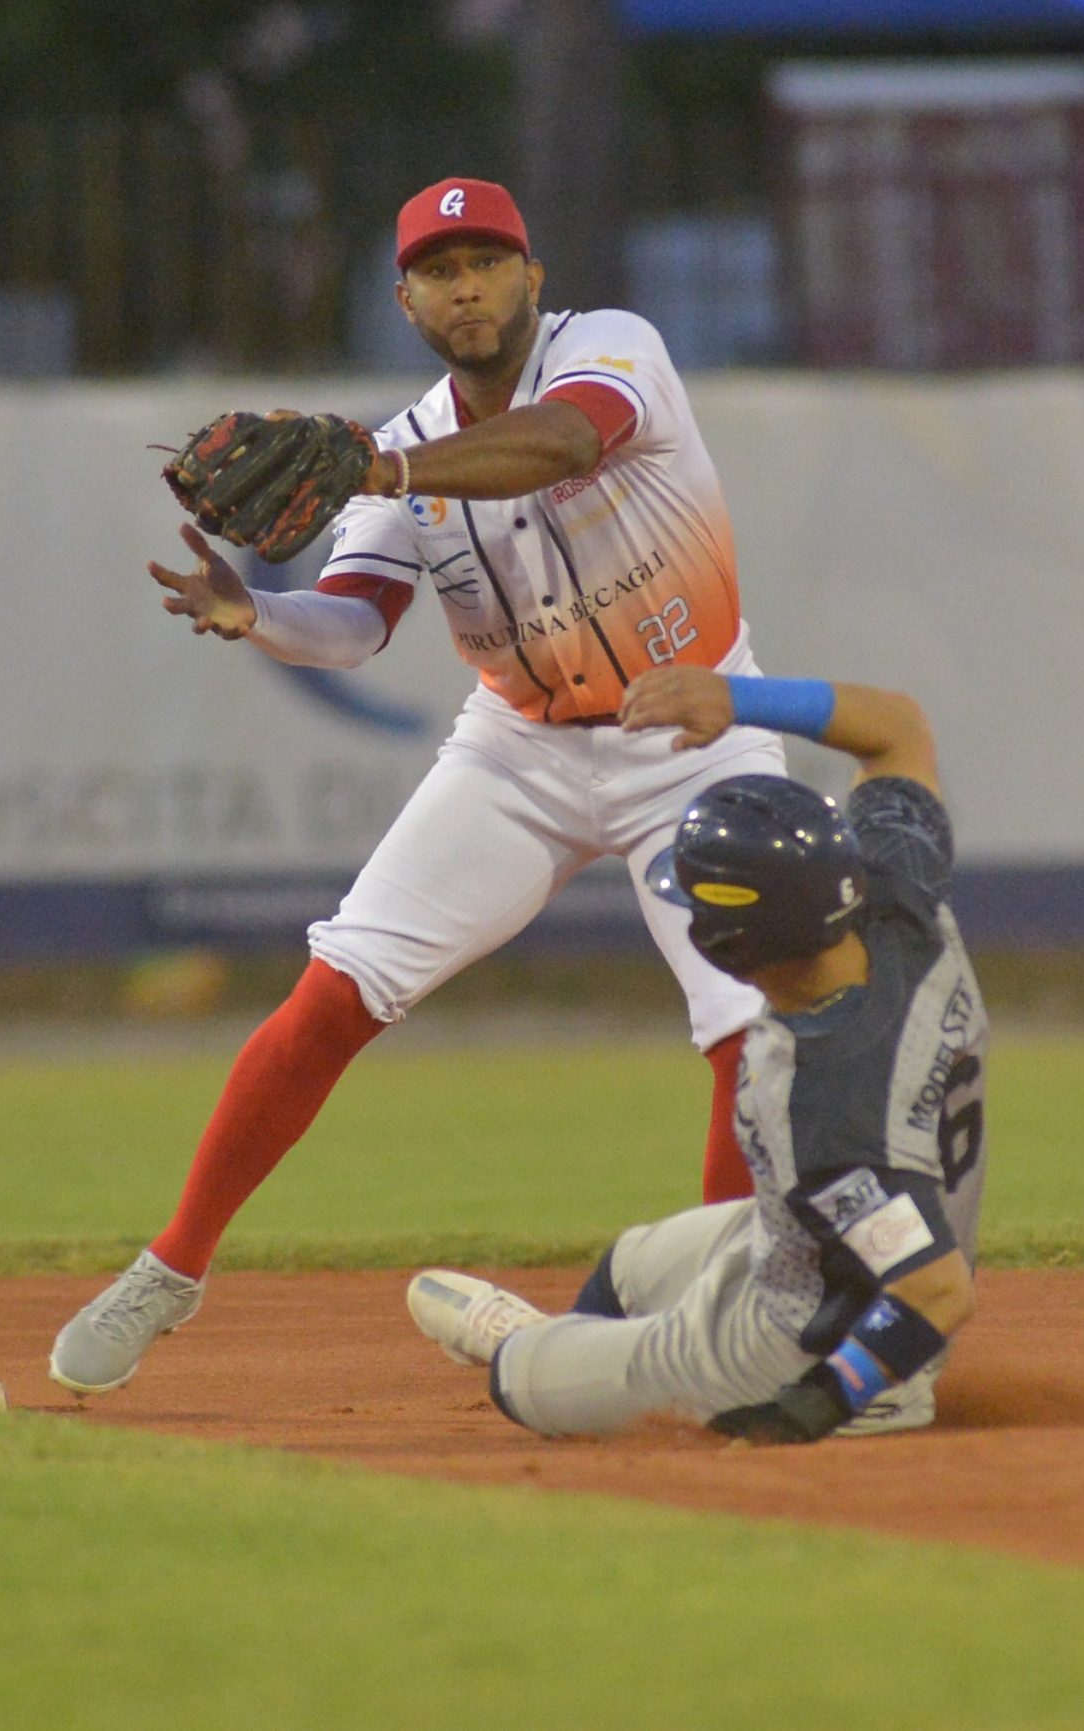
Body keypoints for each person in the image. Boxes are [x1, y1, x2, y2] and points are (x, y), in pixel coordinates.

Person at [51, 177, 787, 1395]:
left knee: (748, 1033)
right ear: (406, 299)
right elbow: (351, 627)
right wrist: (259, 614)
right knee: (337, 990)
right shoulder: (388, 455)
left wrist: (381, 472)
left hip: (694, 731)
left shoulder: (610, 350)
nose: (467, 285)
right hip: (522, 749)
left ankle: (721, 1322)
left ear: (532, 276)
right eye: (440, 269)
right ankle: (170, 1269)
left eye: (488, 260)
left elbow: (560, 442)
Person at [405, 664, 989, 1441]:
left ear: (729, 944)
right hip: (807, 1243)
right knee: (630, 1267)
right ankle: (591, 1351)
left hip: (801, 1344)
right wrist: (742, 701)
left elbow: (935, 1292)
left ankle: (537, 1352)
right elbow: (900, 727)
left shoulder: (824, 1098)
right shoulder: (897, 894)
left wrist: (816, 1400)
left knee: (521, 1382)